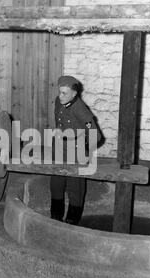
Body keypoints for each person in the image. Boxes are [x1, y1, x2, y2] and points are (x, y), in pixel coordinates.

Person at [50, 75, 101, 226]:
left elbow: (96, 135)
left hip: (76, 152)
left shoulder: (80, 109)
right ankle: (55, 216)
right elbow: (59, 122)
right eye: (60, 92)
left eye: (64, 93)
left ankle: (72, 219)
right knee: (56, 183)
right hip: (59, 149)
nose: (60, 96)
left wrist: (82, 147)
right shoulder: (59, 102)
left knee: (75, 186)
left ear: (74, 94)